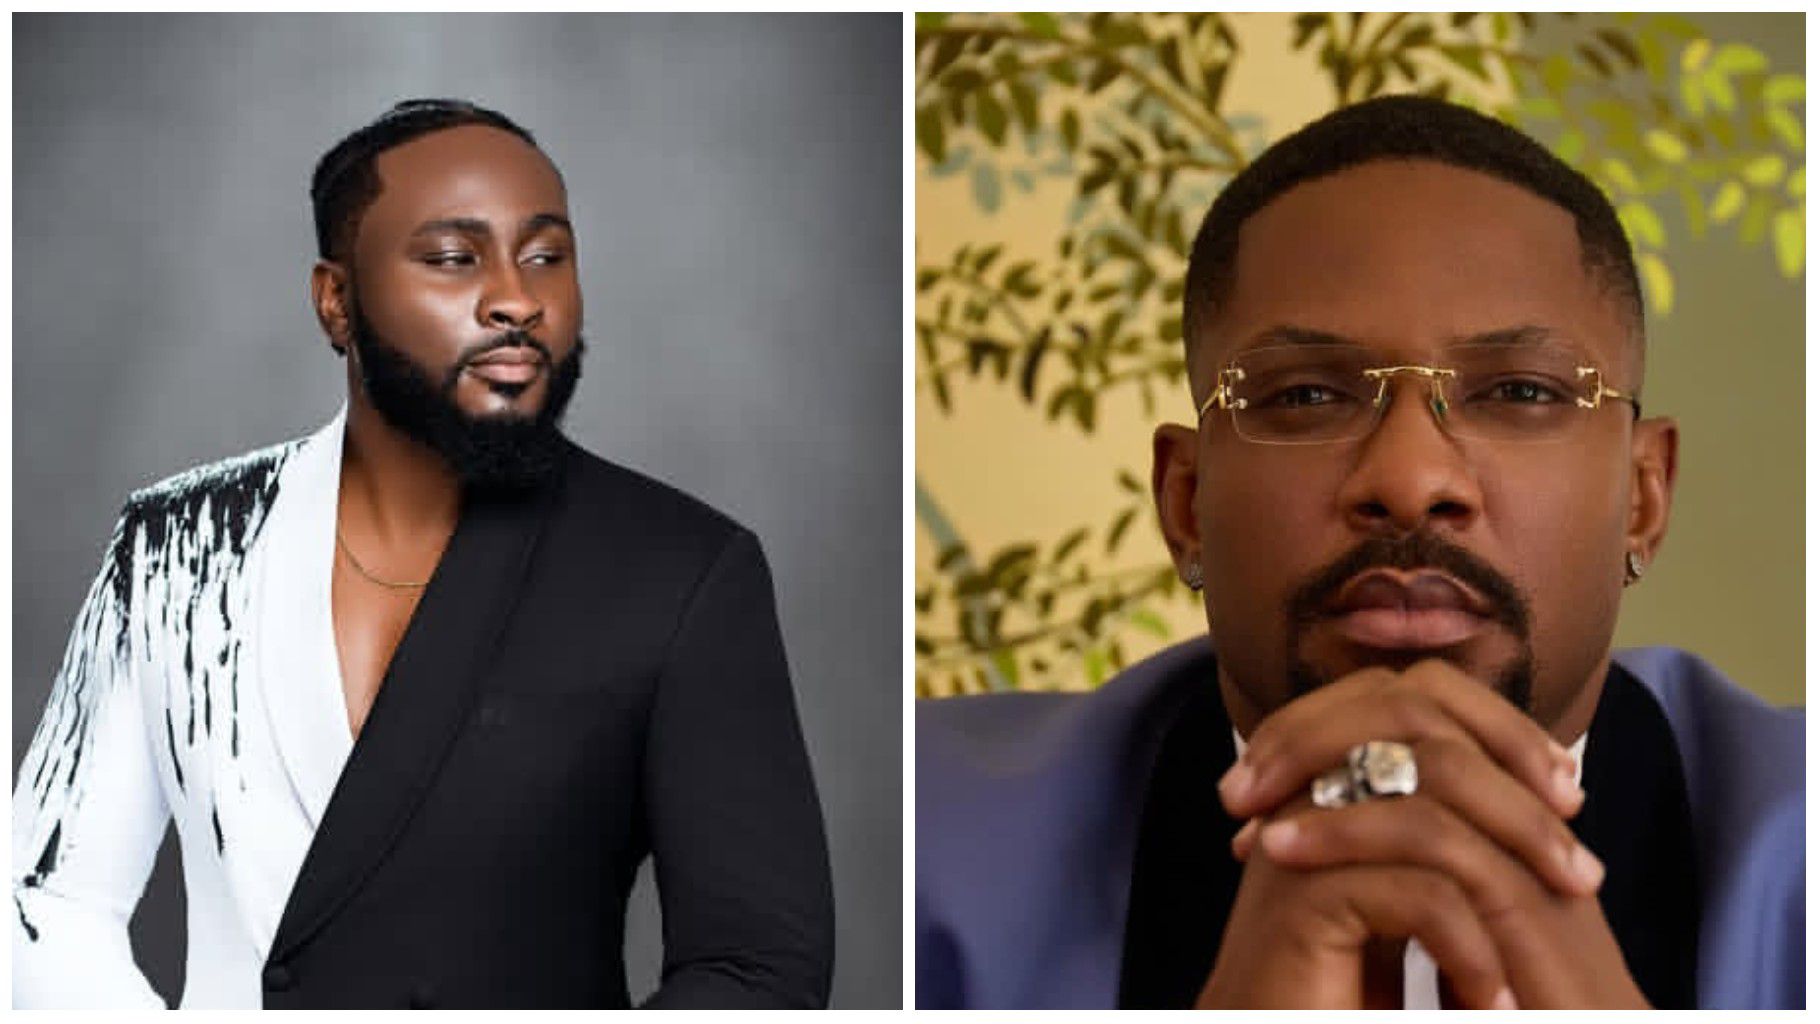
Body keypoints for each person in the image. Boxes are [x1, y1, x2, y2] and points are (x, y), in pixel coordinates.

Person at [916, 96, 1801, 1009]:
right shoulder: (922, 841)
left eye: (1521, 392)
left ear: (1643, 497)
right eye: (1305, 397)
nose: (1411, 479)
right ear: (1186, 502)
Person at [14, 99, 834, 1009]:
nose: (517, 298)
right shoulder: (176, 541)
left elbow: (756, 969)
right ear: (336, 301)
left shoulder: (681, 571)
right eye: (453, 258)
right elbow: (43, 898)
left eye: (546, 256)